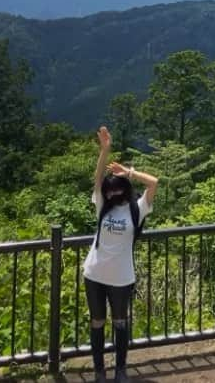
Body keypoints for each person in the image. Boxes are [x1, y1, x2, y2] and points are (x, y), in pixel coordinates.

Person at [82, 125, 158, 383]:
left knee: (120, 323)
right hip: (94, 274)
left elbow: (154, 183)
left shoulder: (138, 209)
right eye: (109, 189)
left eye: (117, 188)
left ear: (125, 189)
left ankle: (121, 370)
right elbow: (97, 178)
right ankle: (99, 371)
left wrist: (128, 172)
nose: (112, 192)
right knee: (97, 322)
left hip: (122, 278)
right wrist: (104, 151)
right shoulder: (102, 206)